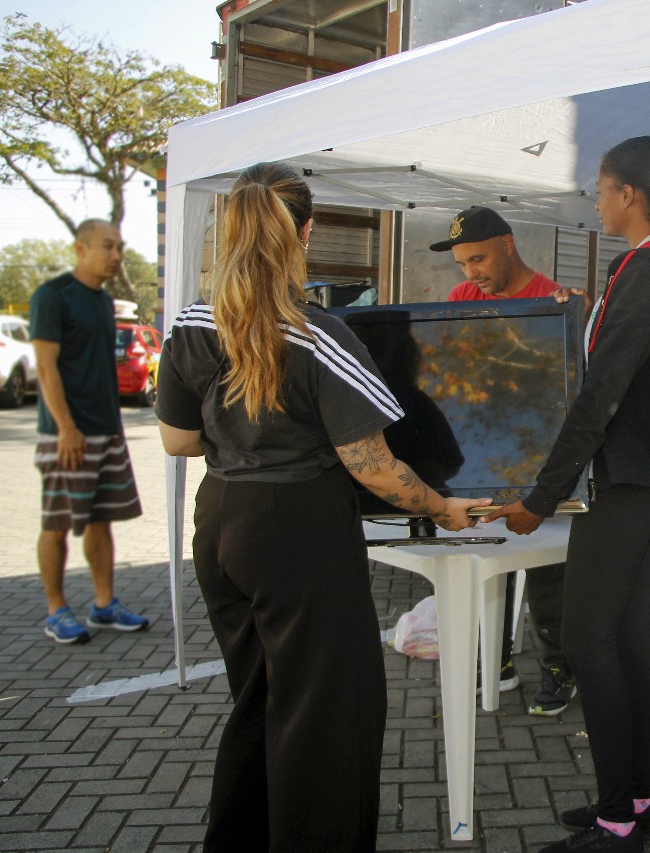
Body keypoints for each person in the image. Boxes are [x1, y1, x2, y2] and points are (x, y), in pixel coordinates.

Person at [154, 161, 489, 853]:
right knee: (325, 714)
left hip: (221, 523)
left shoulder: (190, 323)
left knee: (256, 698)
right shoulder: (318, 335)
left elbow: (178, 438)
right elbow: (374, 465)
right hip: (299, 534)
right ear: (304, 232)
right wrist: (445, 508)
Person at [487, 136, 650, 853]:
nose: (594, 199)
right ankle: (637, 801)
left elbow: (601, 394)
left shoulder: (647, 271)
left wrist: (541, 493)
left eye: (600, 187)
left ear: (628, 194)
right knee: (624, 634)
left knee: (590, 638)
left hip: (626, 480)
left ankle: (618, 819)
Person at [431, 205, 579, 716]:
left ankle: (560, 665)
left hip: (537, 454)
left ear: (508, 244)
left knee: (544, 568)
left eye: (478, 259)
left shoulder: (552, 299)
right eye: (463, 264)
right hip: (483, 450)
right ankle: (497, 661)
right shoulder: (460, 298)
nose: (471, 274)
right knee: (486, 557)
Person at [30, 219, 148, 645]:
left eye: (119, 247)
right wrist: (66, 428)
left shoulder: (102, 302)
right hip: (67, 434)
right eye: (108, 247)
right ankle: (56, 610)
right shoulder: (53, 296)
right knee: (57, 521)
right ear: (80, 248)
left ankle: (104, 604)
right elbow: (45, 369)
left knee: (102, 520)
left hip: (107, 431)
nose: (116, 255)